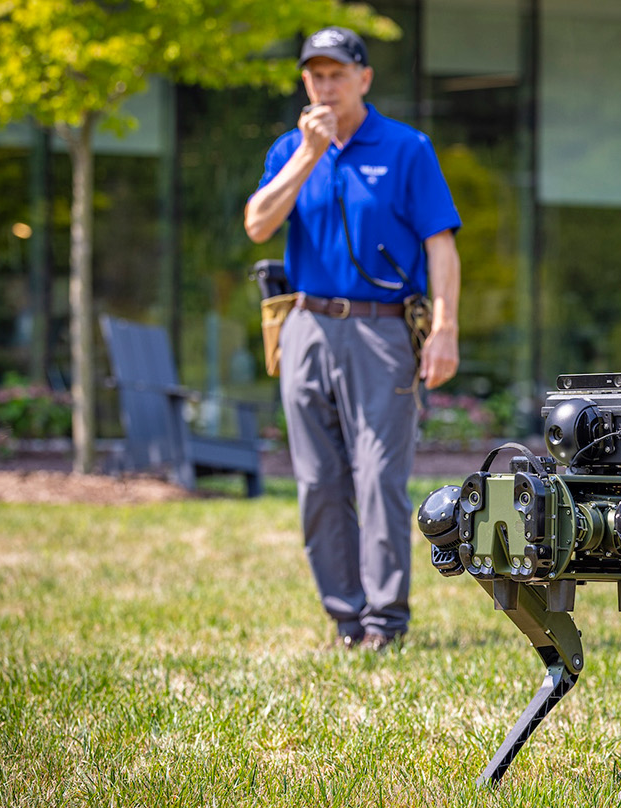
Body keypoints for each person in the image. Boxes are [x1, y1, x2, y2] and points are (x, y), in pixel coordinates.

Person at [244, 26, 461, 652]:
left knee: (378, 476)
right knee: (317, 481)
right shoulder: (291, 148)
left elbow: (439, 244)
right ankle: (345, 616)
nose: (326, 85)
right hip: (306, 325)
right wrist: (307, 158)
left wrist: (444, 327)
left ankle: (384, 620)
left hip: (382, 329)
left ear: (364, 78)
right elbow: (259, 224)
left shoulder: (406, 148)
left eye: (337, 73)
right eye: (315, 74)